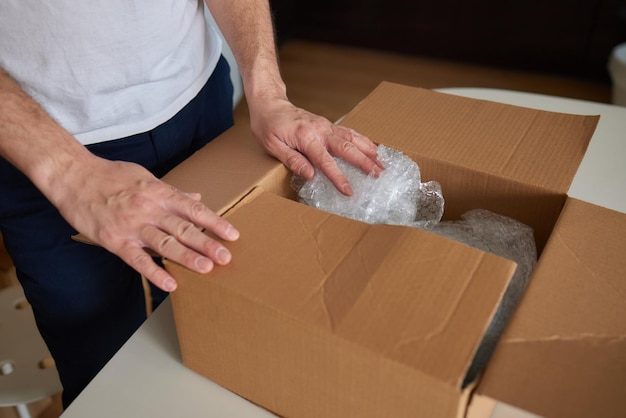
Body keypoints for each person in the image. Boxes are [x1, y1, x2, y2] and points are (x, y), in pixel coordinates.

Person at [0, 0, 383, 408]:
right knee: (102, 364)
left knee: (218, 321)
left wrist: (269, 92)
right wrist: (67, 171)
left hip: (195, 101)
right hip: (41, 146)